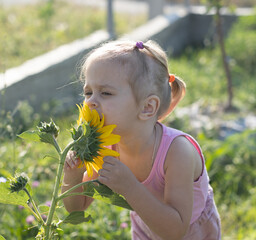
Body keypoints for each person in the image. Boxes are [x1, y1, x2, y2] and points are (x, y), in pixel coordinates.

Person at [61, 40, 221, 240]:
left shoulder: (177, 152)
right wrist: (73, 176)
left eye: (106, 93)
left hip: (191, 233)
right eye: (88, 92)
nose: (91, 102)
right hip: (145, 228)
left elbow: (176, 230)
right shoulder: (104, 146)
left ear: (147, 107)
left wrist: (130, 187)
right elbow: (77, 209)